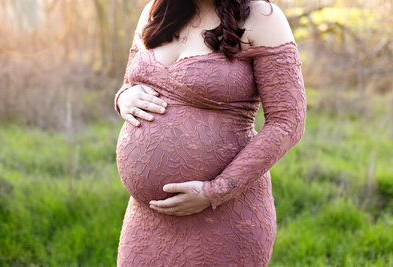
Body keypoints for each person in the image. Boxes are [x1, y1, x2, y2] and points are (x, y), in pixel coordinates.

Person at [114, 0, 306, 266]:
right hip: (147, 218)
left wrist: (214, 192)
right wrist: (124, 98)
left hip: (223, 214)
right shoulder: (155, 12)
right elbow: (130, 84)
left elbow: (288, 121)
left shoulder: (261, 18)